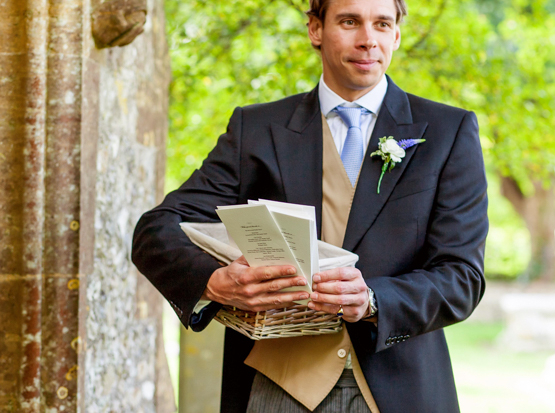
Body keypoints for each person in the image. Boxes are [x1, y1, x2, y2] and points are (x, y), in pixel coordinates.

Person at [132, 0, 488, 411]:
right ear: (316, 30)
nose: (368, 40)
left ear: (396, 34)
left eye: (382, 24)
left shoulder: (448, 131)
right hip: (274, 385)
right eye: (350, 21)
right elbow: (156, 230)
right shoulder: (257, 129)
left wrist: (373, 299)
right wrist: (214, 281)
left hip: (400, 390)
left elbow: (462, 276)